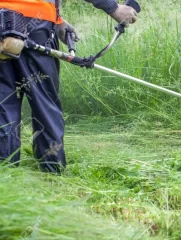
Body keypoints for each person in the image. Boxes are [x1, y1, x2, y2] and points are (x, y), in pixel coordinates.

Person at [0, 0, 137, 173]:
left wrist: (57, 20)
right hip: (35, 20)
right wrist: (114, 8)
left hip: (6, 20)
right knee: (44, 103)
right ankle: (52, 171)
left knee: (3, 101)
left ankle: (5, 174)